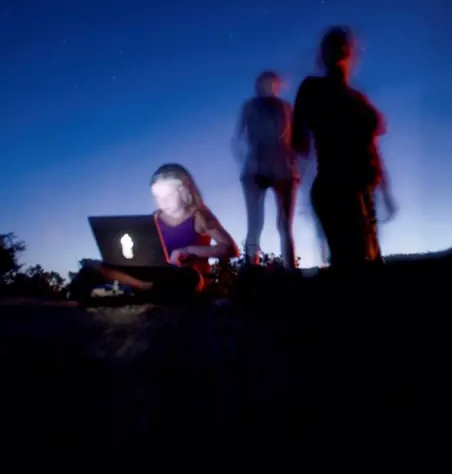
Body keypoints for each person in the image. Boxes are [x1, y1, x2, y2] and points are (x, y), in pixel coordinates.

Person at [292, 26, 396, 272]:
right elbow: (299, 141)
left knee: (368, 263)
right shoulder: (313, 89)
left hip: (363, 192)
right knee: (354, 264)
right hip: (336, 187)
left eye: (343, 45)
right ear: (323, 56)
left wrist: (385, 193)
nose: (339, 50)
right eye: (332, 46)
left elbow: (373, 149)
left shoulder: (359, 100)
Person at [74, 163, 239, 300]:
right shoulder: (154, 218)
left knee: (188, 277)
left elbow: (230, 249)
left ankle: (131, 290)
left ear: (183, 191)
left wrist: (187, 250)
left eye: (167, 195)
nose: (162, 202)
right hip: (156, 275)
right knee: (92, 268)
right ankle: (144, 289)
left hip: (184, 276)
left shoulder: (200, 215)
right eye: (157, 196)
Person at [232, 70, 299, 270]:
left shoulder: (285, 108)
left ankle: (290, 272)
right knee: (255, 224)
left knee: (285, 225)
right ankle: (252, 270)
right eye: (266, 83)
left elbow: (292, 137)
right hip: (256, 166)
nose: (270, 87)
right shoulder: (250, 107)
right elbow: (238, 138)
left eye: (273, 83)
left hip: (283, 167)